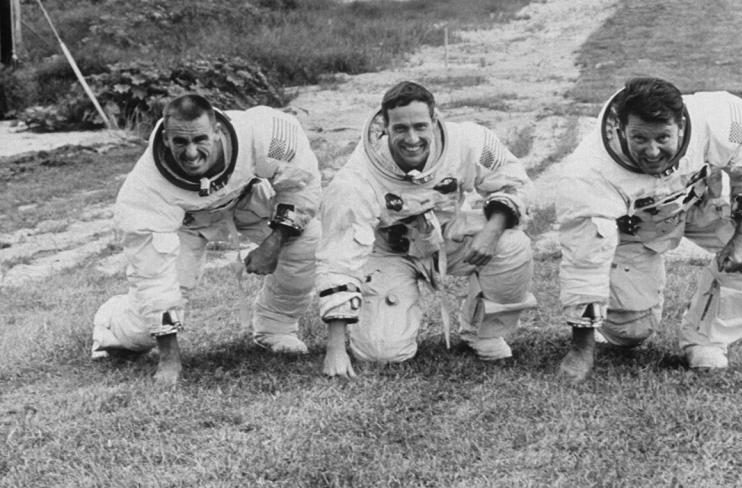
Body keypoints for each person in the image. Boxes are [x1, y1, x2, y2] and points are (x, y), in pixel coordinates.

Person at [91, 93, 359, 385]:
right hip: (185, 223)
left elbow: (301, 185)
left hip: (243, 199)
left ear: (217, 132)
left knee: (306, 238)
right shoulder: (145, 188)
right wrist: (169, 359)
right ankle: (111, 322)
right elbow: (152, 270)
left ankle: (275, 327)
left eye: (200, 140)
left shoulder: (265, 136)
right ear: (166, 139)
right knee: (142, 330)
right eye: (180, 142)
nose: (191, 153)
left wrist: (275, 241)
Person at [555, 77, 742, 381]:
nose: (651, 152)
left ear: (682, 123)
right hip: (637, 228)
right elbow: (584, 260)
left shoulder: (722, 120)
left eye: (663, 138)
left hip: (699, 202)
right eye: (639, 139)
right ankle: (625, 312)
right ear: (621, 129)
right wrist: (581, 349)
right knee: (630, 332)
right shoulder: (587, 173)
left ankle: (707, 340)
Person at [317, 80, 537, 366]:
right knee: (381, 353)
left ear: (434, 120)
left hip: (448, 235)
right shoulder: (356, 178)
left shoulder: (468, 141)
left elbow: (516, 184)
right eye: (400, 129)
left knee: (512, 244)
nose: (412, 139)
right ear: (384, 126)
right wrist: (335, 348)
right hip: (390, 251)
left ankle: (483, 332)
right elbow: (340, 256)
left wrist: (491, 233)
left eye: (420, 126)